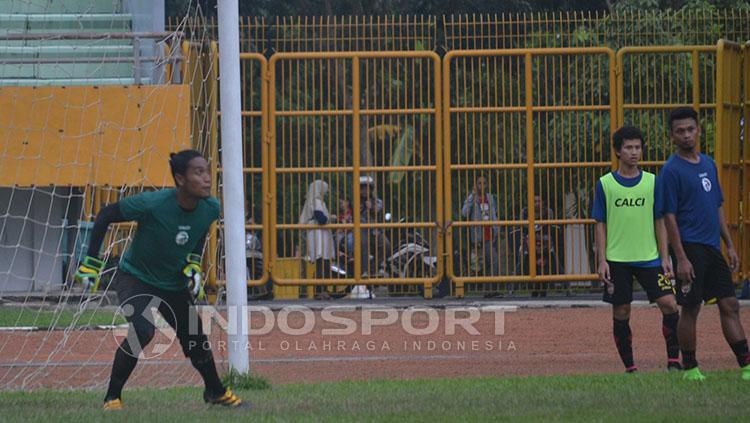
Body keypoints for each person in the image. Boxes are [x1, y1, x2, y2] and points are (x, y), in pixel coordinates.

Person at [74, 149, 248, 409]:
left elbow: (199, 231)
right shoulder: (153, 204)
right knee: (143, 331)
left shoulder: (210, 207)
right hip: (135, 277)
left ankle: (215, 391)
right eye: (198, 172)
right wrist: (91, 262)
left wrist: (192, 262)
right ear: (180, 179)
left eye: (207, 171)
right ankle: (112, 397)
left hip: (173, 282)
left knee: (195, 337)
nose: (207, 178)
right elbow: (106, 214)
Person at [659, 107, 750, 381]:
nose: (686, 135)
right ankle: (691, 368)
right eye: (680, 131)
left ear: (698, 129)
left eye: (690, 129)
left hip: (712, 248)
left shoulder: (708, 164)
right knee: (691, 307)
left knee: (730, 304)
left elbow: (717, 206)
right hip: (690, 248)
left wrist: (729, 245)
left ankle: (746, 365)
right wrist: (681, 257)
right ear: (672, 135)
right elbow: (669, 216)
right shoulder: (671, 171)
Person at [593, 126, 680, 373]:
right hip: (617, 259)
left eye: (637, 147)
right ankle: (630, 367)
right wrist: (602, 260)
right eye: (628, 147)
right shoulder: (605, 184)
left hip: (649, 258)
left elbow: (659, 222)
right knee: (621, 311)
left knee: (670, 305)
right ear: (618, 151)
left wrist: (665, 258)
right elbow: (600, 224)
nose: (634, 152)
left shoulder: (653, 182)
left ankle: (674, 361)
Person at [299, 180, 336, 298]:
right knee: (322, 261)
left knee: (322, 262)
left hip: (316, 232)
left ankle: (321, 290)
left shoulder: (311, 201)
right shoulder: (316, 201)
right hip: (318, 233)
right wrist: (331, 218)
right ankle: (321, 290)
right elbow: (321, 219)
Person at [460, 174, 499, 276]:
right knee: (483, 262)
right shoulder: (471, 198)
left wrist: (496, 229)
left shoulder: (490, 198)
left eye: (484, 183)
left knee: (492, 261)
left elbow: (494, 214)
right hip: (478, 235)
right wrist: (472, 197)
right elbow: (464, 213)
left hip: (490, 233)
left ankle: (492, 286)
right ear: (476, 185)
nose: (482, 186)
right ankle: (488, 286)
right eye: (479, 183)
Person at [359, 175, 390, 276]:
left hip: (374, 230)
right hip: (360, 230)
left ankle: (373, 268)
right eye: (362, 189)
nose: (364, 191)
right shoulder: (354, 202)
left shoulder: (377, 201)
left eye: (367, 188)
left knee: (386, 245)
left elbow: (378, 210)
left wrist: (371, 207)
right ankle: (363, 271)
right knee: (363, 244)